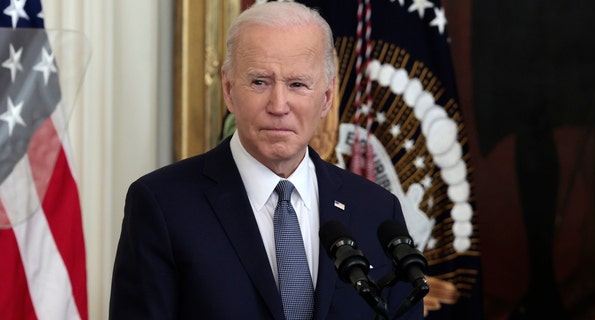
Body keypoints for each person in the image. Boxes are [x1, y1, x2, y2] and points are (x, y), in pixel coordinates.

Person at [109, 2, 423, 319]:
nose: (278, 105)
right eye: (260, 81)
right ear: (229, 90)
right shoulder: (162, 205)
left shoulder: (378, 211)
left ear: (326, 97)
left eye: (297, 84)